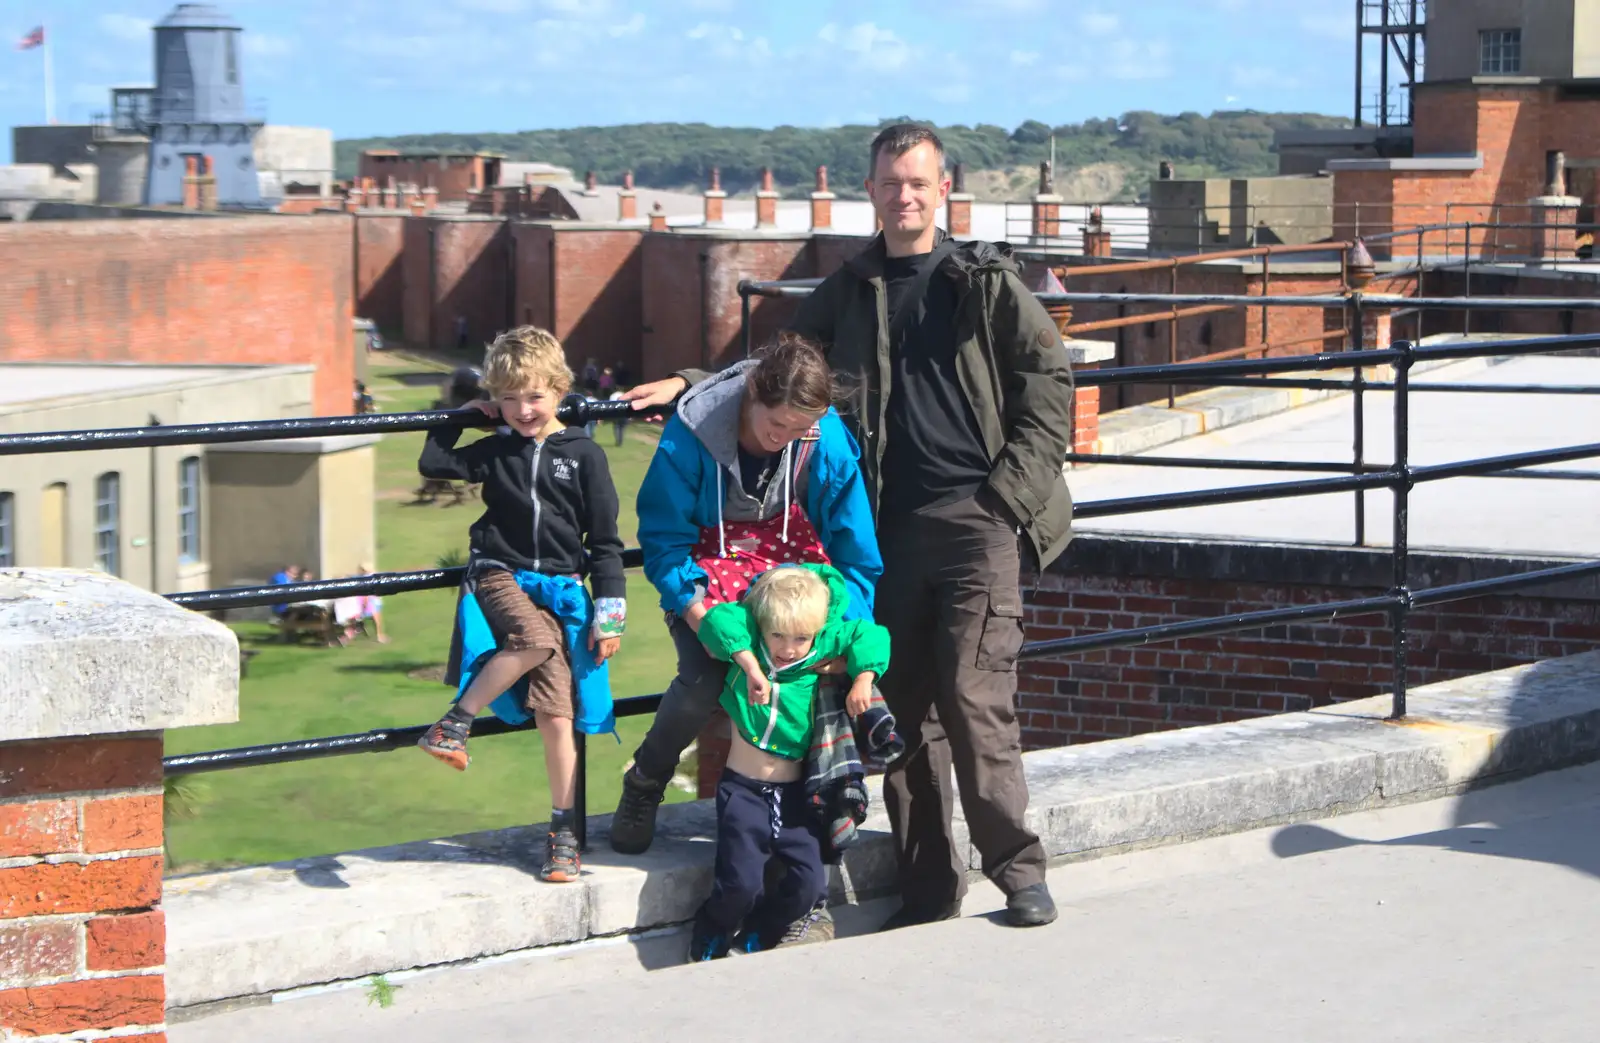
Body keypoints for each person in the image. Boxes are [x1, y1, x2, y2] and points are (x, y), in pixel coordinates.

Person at [621, 124, 1076, 930]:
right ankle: (930, 888)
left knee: (976, 700)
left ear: (942, 190)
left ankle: (1019, 868)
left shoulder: (984, 280)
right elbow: (773, 369)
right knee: (894, 709)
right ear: (871, 190)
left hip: (979, 520)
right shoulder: (851, 286)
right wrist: (692, 382)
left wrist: (1010, 494)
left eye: (919, 182)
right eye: (891, 182)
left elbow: (1049, 378)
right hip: (885, 531)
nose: (904, 195)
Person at [611, 334, 881, 939]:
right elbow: (662, 538)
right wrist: (695, 608)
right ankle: (647, 779)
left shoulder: (823, 436)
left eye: (798, 430)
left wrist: (847, 632)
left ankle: (808, 876)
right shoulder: (692, 432)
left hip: (797, 577)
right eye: (775, 426)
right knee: (707, 676)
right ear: (750, 397)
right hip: (712, 574)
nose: (783, 440)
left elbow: (855, 548)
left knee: (817, 684)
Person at [415, 325, 627, 884]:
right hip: (497, 572)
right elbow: (436, 463)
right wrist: (463, 414)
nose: (522, 409)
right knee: (534, 641)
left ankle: (562, 835)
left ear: (559, 389)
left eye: (533, 395)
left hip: (559, 587)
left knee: (559, 717)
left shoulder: (585, 456)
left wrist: (609, 617)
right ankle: (453, 724)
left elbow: (605, 545)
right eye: (507, 398)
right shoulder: (495, 450)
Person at [686, 564, 889, 962]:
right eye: (777, 635)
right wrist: (748, 665)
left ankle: (764, 929)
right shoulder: (749, 642)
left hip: (798, 794)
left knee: (809, 883)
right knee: (740, 882)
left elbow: (873, 635)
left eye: (800, 638)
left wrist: (863, 677)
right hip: (743, 790)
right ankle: (714, 926)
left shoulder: (822, 648)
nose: (788, 648)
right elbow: (716, 619)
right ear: (763, 625)